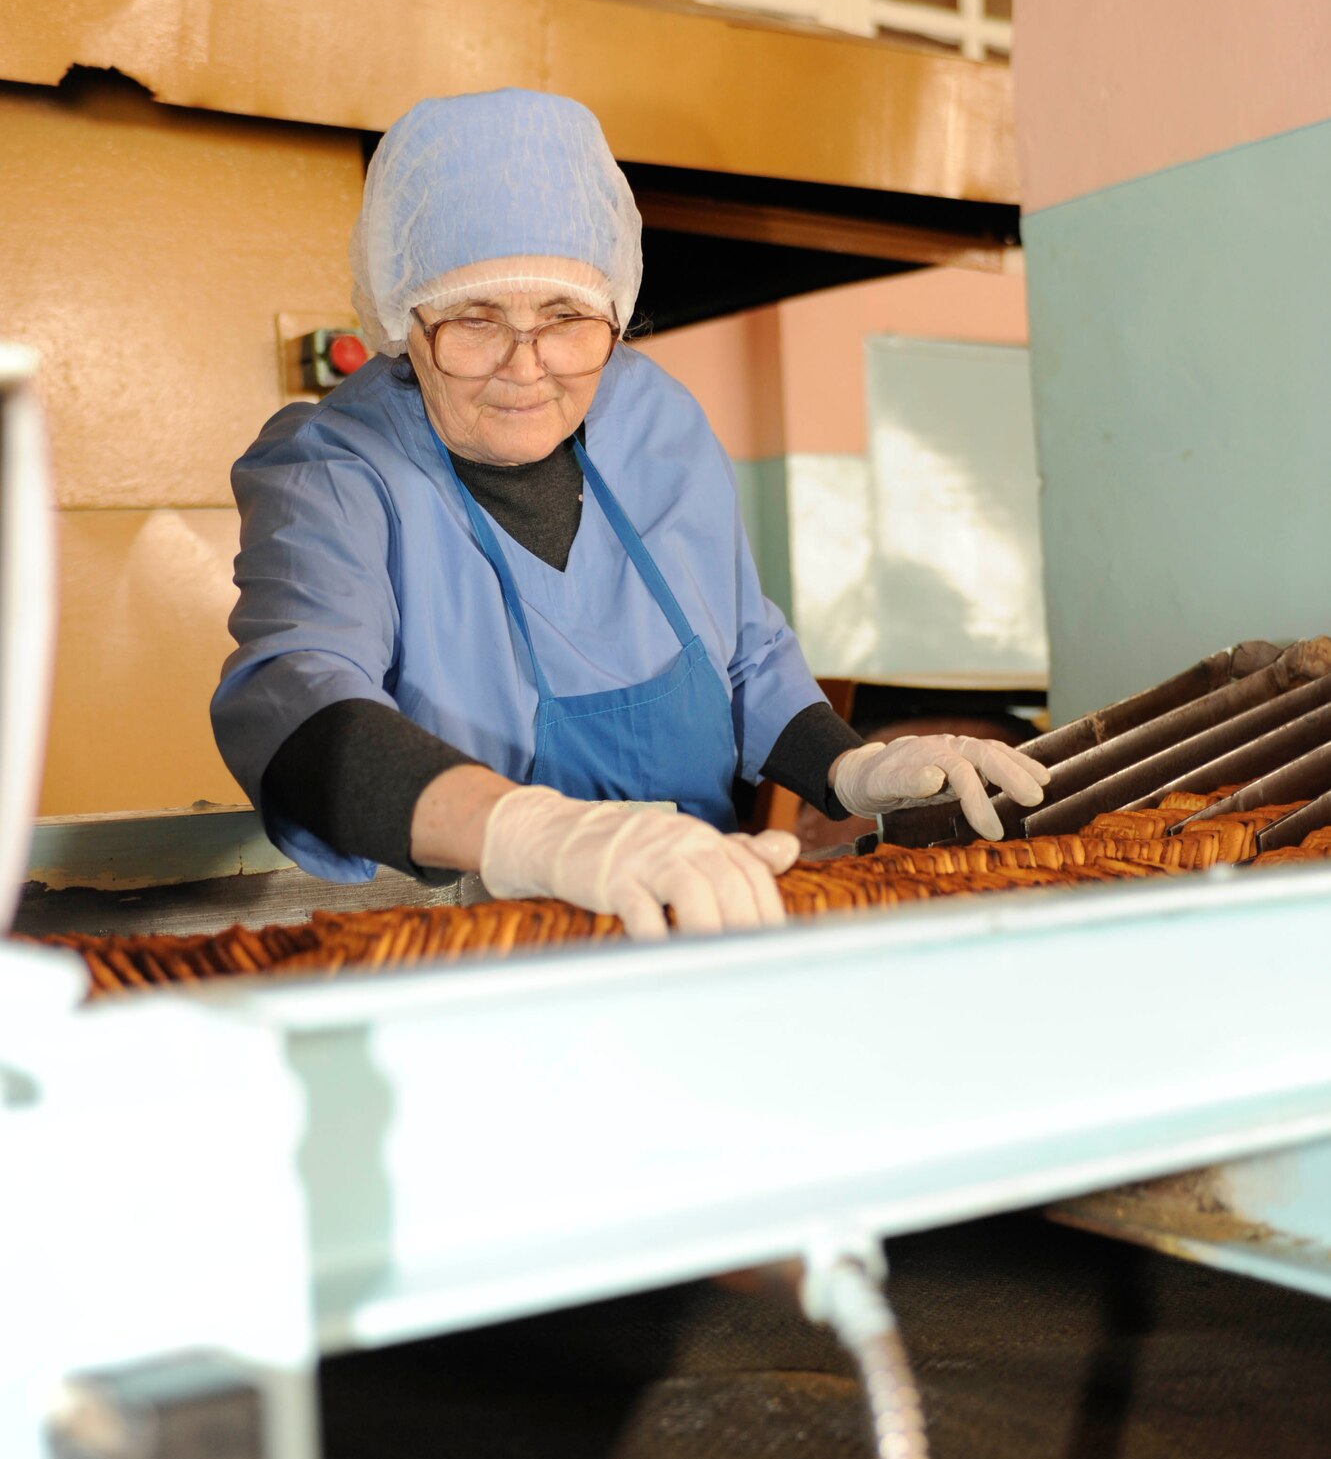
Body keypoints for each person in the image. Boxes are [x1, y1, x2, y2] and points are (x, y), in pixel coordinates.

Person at [212, 90, 1048, 939]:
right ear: (402, 319)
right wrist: (528, 832)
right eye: (474, 319)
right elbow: (293, 699)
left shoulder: (653, 418)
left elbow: (742, 655)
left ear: (613, 309)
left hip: (695, 926)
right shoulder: (332, 468)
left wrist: (853, 765)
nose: (526, 367)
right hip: (459, 950)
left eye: (567, 318)